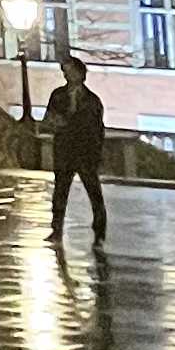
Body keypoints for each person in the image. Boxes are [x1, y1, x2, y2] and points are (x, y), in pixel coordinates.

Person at [41, 53, 108, 250]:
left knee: (94, 193)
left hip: (85, 153)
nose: (67, 75)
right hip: (64, 151)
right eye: (65, 72)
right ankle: (56, 229)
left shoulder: (92, 100)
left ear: (80, 73)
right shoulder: (58, 96)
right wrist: (55, 122)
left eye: (70, 71)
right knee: (60, 192)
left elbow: (97, 130)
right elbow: (48, 120)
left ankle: (99, 231)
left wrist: (96, 154)